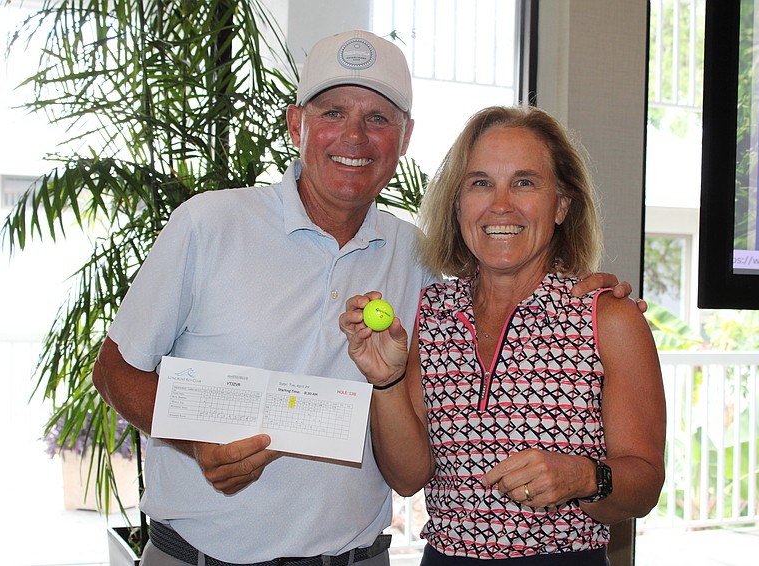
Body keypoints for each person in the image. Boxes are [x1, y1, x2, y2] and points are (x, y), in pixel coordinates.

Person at [92, 29, 640, 566]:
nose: (354, 137)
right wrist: (196, 442)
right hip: (197, 556)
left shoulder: (420, 258)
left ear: (403, 140)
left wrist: (587, 286)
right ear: (296, 124)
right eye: (332, 113)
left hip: (356, 556)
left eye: (378, 118)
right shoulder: (208, 224)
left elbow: (509, 265)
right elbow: (115, 371)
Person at [339, 105, 666, 566]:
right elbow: (408, 477)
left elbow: (645, 484)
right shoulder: (433, 311)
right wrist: (386, 381)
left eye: (525, 182)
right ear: (457, 205)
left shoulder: (608, 318)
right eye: (480, 183)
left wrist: (585, 477)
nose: (501, 204)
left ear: (561, 205)